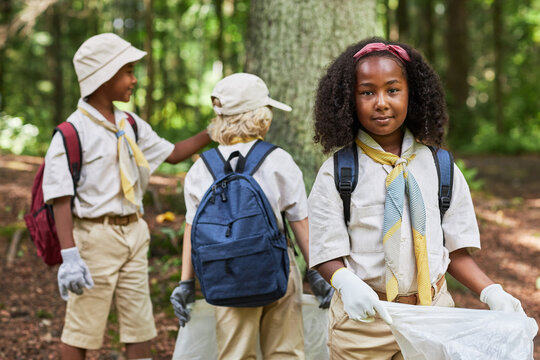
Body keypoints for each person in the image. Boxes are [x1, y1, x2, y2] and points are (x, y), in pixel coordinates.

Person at [308, 37, 526, 359]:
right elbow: (326, 249)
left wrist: (491, 291)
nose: (381, 102)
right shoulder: (338, 172)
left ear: (413, 94)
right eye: (367, 92)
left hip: (433, 316)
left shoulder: (441, 168)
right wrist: (345, 283)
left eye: (392, 90)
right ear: (349, 100)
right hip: (364, 322)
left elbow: (455, 251)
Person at [42, 33, 212, 360]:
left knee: (140, 323)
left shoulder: (130, 123)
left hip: (134, 233)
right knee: (82, 326)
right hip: (94, 237)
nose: (134, 80)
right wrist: (70, 256)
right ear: (104, 76)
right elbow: (59, 196)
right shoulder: (71, 132)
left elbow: (173, 153)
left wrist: (213, 131)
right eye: (128, 71)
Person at [170, 73, 334, 359]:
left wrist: (185, 284)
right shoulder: (278, 160)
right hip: (278, 270)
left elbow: (192, 229)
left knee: (235, 353)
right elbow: (300, 224)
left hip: (225, 272)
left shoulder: (200, 169)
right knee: (285, 352)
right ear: (260, 116)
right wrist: (317, 273)